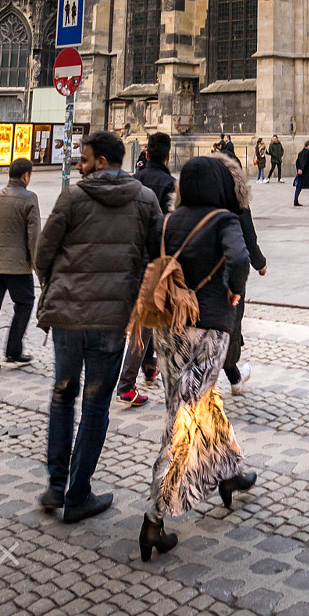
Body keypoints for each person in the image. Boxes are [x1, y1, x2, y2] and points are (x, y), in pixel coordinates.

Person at [35, 130, 162, 523]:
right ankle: (77, 495)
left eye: (85, 159)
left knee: (62, 396)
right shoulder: (145, 200)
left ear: (102, 162)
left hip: (68, 321)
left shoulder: (72, 197)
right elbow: (157, 257)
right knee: (94, 407)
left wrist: (56, 287)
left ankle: (57, 486)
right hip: (110, 321)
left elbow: (43, 253)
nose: (79, 164)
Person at [140, 156, 255, 562]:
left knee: (200, 399)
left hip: (169, 328)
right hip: (208, 329)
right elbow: (239, 258)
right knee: (185, 415)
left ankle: (229, 474)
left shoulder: (167, 221)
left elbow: (148, 260)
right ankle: (154, 518)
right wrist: (234, 290)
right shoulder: (224, 219)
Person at [117, 132, 176, 409]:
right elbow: (169, 227)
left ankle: (149, 367)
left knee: (145, 319)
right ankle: (126, 385)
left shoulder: (134, 181)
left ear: (146, 154)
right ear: (167, 155)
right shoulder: (170, 184)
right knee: (144, 322)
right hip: (153, 262)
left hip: (128, 257)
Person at [0, 156, 41, 376]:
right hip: (17, 267)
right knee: (25, 303)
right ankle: (13, 350)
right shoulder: (30, 199)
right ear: (25, 176)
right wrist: (37, 268)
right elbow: (34, 239)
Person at [218, 147, 267, 394]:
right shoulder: (239, 204)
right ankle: (232, 372)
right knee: (231, 323)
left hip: (202, 272)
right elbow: (248, 237)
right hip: (229, 274)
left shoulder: (200, 200)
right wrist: (259, 263)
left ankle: (232, 375)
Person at [293, 138, 309, 205]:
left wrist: (299, 169)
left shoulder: (301, 153)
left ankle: (295, 200)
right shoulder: (308, 153)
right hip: (306, 173)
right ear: (308, 145)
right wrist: (302, 169)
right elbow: (305, 162)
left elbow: (297, 162)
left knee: (299, 187)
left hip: (301, 173)